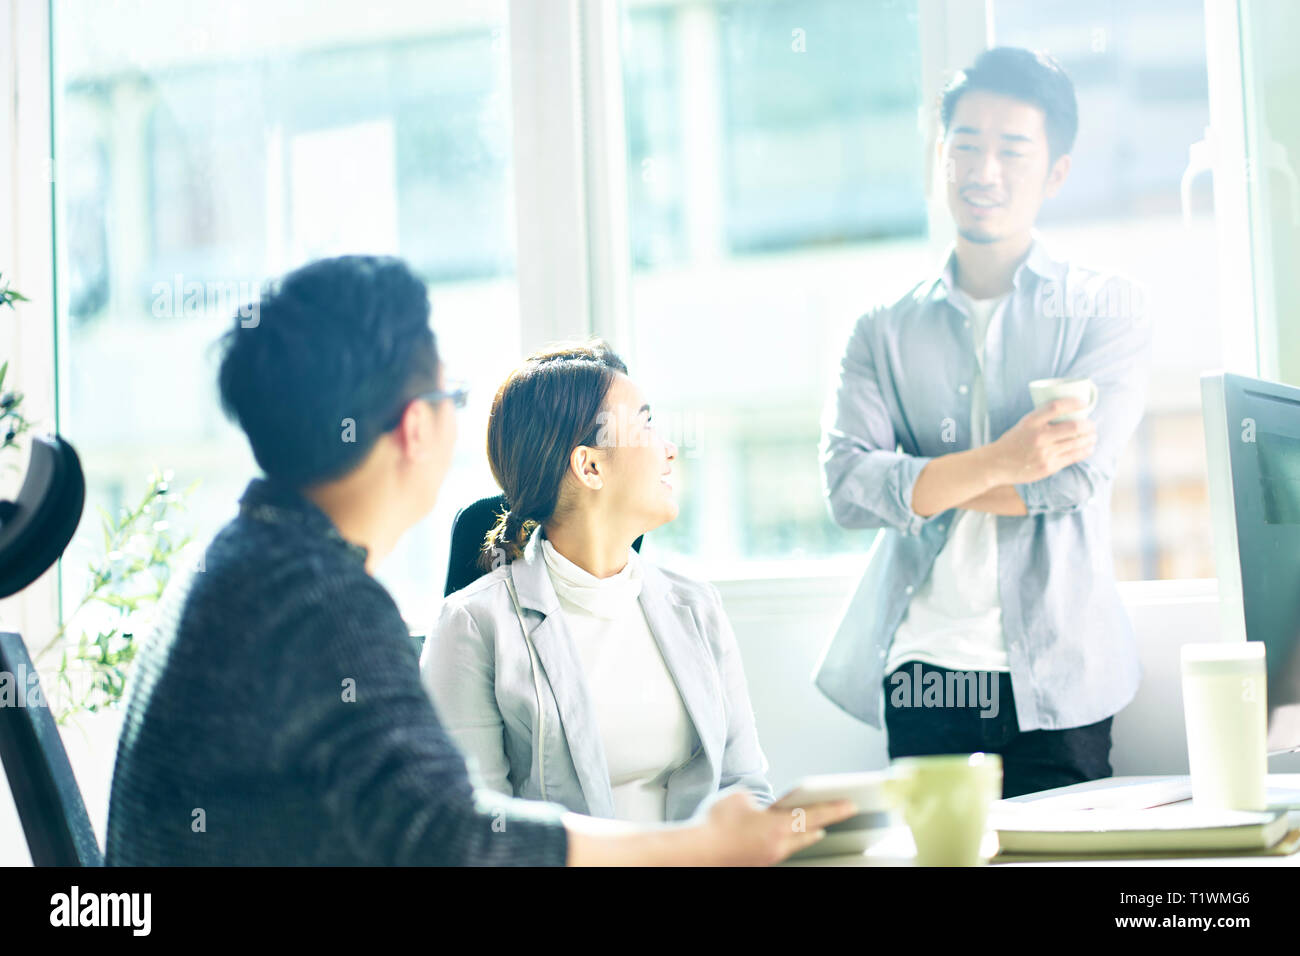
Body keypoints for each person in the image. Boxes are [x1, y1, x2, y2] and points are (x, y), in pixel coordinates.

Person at [103, 255, 852, 865]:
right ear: (413, 427)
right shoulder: (319, 602)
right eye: (449, 393)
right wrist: (692, 851)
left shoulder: (250, 563)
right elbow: (449, 840)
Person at [815, 47, 1152, 798]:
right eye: (964, 144)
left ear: (1055, 172)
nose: (983, 170)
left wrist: (916, 484)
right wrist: (1005, 458)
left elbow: (1073, 483)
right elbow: (845, 490)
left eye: (1011, 149)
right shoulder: (880, 331)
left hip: (1062, 677)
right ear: (940, 155)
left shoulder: (1104, 310)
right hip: (923, 671)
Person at [422, 342, 774, 823]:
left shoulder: (696, 605)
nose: (669, 449)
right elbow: (473, 829)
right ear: (589, 466)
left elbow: (744, 785)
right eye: (646, 425)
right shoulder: (472, 626)